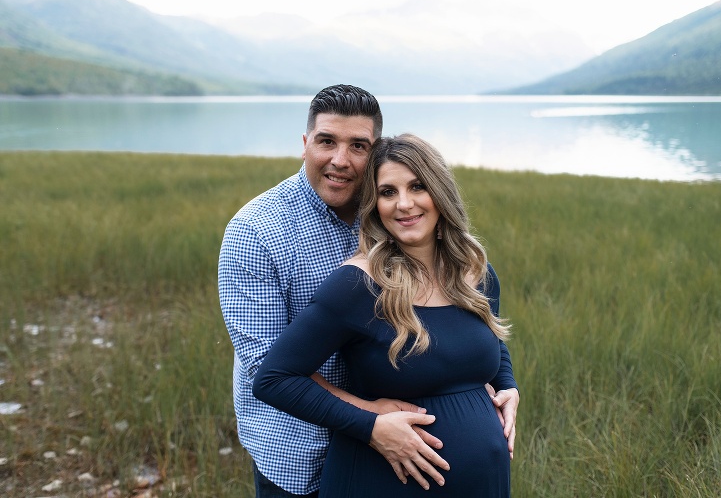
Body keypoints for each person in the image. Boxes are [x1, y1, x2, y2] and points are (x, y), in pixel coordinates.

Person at [219, 86, 474, 497]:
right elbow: (264, 365)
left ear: (375, 154)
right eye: (326, 142)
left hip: (388, 450)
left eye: (358, 145)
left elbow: (451, 304)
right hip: (300, 450)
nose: (340, 160)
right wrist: (369, 417)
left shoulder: (392, 212)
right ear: (305, 145)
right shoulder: (255, 233)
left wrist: (502, 382)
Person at [253, 133, 519, 497]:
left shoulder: (475, 273)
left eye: (417, 186)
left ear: (440, 193)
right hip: (380, 482)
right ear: (375, 205)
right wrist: (370, 425)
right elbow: (275, 378)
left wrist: (508, 387)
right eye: (388, 192)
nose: (404, 204)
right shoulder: (357, 286)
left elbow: (492, 342)